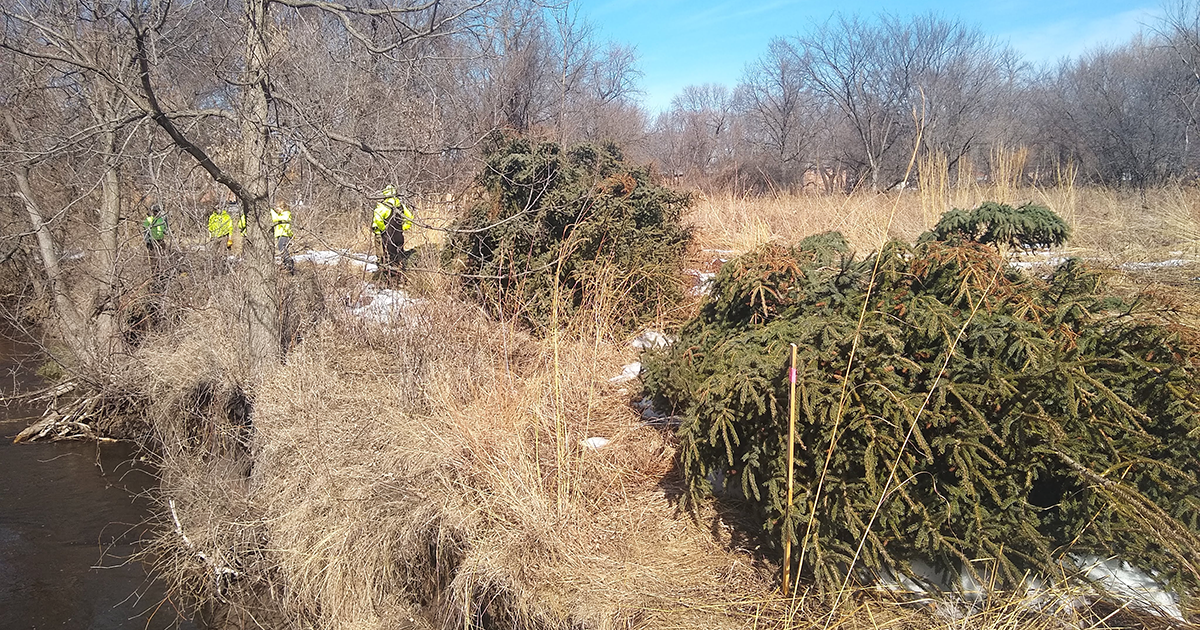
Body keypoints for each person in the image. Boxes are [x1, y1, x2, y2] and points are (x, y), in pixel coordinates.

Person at [372, 185, 414, 274]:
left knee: (385, 260)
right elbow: (410, 218)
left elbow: (377, 219)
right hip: (399, 237)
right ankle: (401, 276)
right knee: (399, 258)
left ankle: (387, 279)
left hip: (387, 238)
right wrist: (403, 227)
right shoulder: (401, 206)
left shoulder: (383, 206)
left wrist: (383, 229)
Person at [272, 201, 295, 272]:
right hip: (280, 234)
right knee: (281, 248)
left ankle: (288, 261)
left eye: (278, 208)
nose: (277, 209)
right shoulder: (282, 215)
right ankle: (286, 263)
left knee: (282, 247)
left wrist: (271, 211)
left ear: (283, 208)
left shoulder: (286, 214)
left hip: (284, 234)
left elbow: (275, 218)